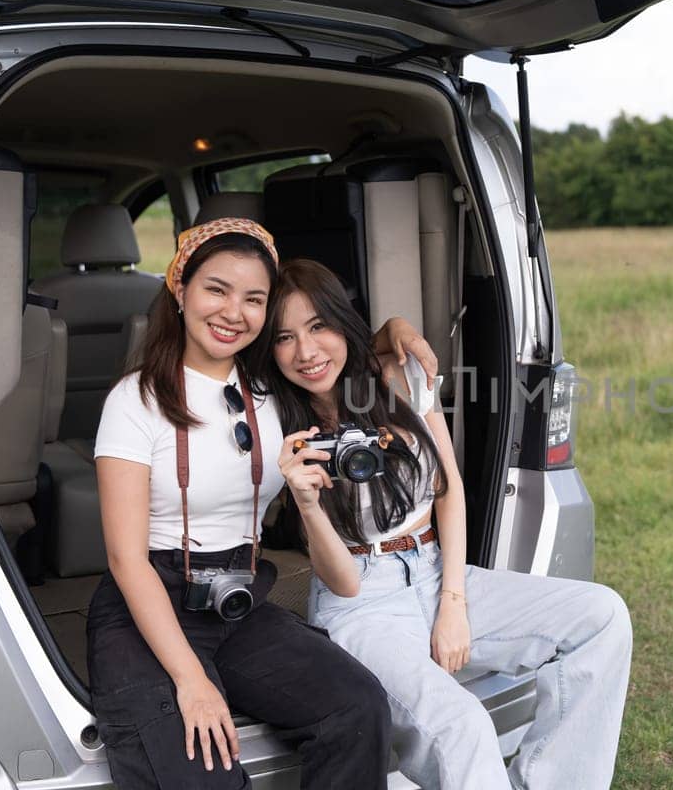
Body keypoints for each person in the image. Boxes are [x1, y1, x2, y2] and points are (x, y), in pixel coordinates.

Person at [85, 217, 433, 789]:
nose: (233, 312)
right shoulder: (135, 400)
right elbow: (127, 560)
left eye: (253, 299)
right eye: (216, 290)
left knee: (357, 707)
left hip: (238, 597)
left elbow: (328, 353)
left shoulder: (272, 389)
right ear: (180, 288)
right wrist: (190, 678)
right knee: (203, 774)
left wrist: (393, 329)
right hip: (147, 603)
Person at [266, 259, 634, 790]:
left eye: (318, 326)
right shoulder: (281, 423)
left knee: (601, 616)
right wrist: (305, 504)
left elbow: (448, 488)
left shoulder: (396, 375)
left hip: (438, 568)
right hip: (362, 603)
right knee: (463, 726)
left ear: (341, 322)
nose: (306, 351)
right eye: (285, 337)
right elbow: (342, 582)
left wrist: (453, 603)